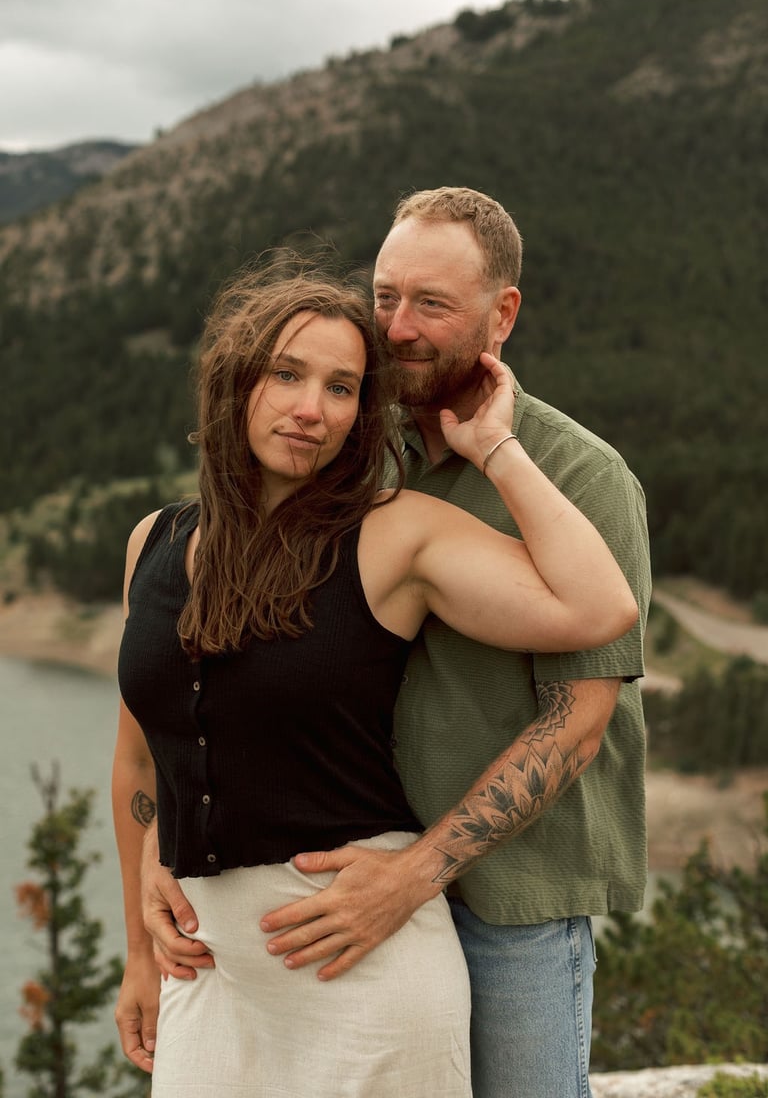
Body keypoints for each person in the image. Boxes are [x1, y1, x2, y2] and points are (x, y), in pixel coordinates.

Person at [112, 256, 638, 1098]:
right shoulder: (155, 542)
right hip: (208, 971)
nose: (311, 409)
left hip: (362, 961)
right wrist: (139, 950)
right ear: (234, 380)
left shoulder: (393, 534)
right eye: (287, 374)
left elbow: (600, 606)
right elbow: (142, 762)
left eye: (343, 387)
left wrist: (494, 447)